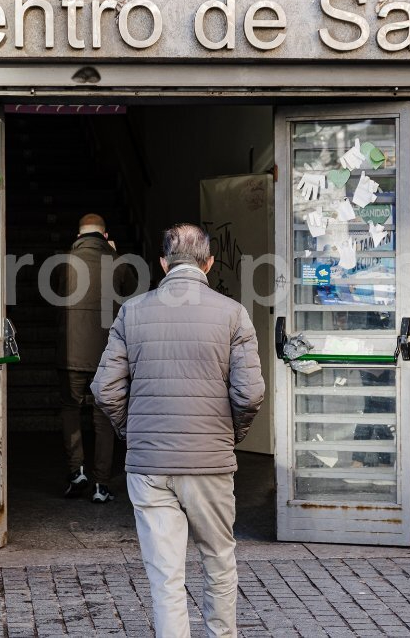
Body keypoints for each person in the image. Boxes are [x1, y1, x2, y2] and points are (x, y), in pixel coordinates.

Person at [92, 223, 265, 638]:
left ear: (163, 263)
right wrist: (230, 436)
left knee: (164, 575)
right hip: (210, 464)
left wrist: (133, 433)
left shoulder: (132, 312)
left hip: (149, 465)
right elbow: (250, 394)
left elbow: (104, 388)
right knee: (219, 561)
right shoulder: (232, 313)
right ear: (209, 263)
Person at [56, 213, 134, 503]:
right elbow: (134, 294)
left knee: (70, 409)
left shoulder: (64, 261)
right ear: (105, 234)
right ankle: (101, 484)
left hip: (69, 352)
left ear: (78, 236)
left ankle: (76, 470)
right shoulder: (118, 262)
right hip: (107, 353)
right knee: (104, 417)